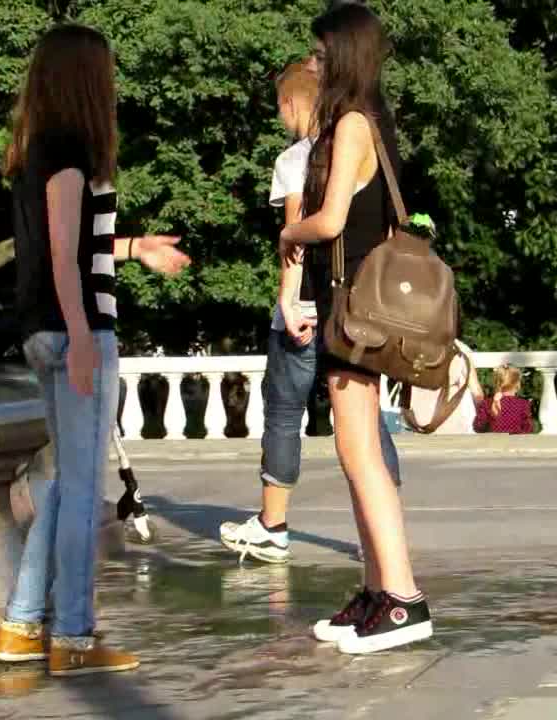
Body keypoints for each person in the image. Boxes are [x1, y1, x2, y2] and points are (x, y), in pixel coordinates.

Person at [0, 24, 190, 677]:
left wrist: (136, 249)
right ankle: (72, 638)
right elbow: (62, 258)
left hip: (43, 329)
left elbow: (75, 244)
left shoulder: (37, 150)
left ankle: (22, 624)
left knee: (60, 485)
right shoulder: (67, 149)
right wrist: (81, 336)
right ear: (87, 80)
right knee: (81, 491)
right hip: (75, 331)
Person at [278, 3, 431, 655]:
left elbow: (334, 219)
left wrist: (290, 232)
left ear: (343, 55)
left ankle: (402, 599)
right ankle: (377, 590)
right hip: (364, 303)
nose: (312, 64)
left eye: (319, 54)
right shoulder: (374, 118)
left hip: (354, 307)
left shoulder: (350, 124)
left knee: (358, 451)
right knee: (359, 449)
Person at [218, 62, 401, 564]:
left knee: (283, 413)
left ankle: (272, 527)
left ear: (290, 104)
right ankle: (380, 533)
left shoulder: (297, 158)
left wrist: (288, 300)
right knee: (367, 421)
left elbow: (297, 235)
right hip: (355, 310)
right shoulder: (363, 147)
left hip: (306, 309)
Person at [473, 365, 533, 434]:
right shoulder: (523, 404)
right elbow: (528, 428)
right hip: (515, 440)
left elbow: (478, 427)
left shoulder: (486, 403)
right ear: (517, 384)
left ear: (496, 383)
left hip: (492, 440)